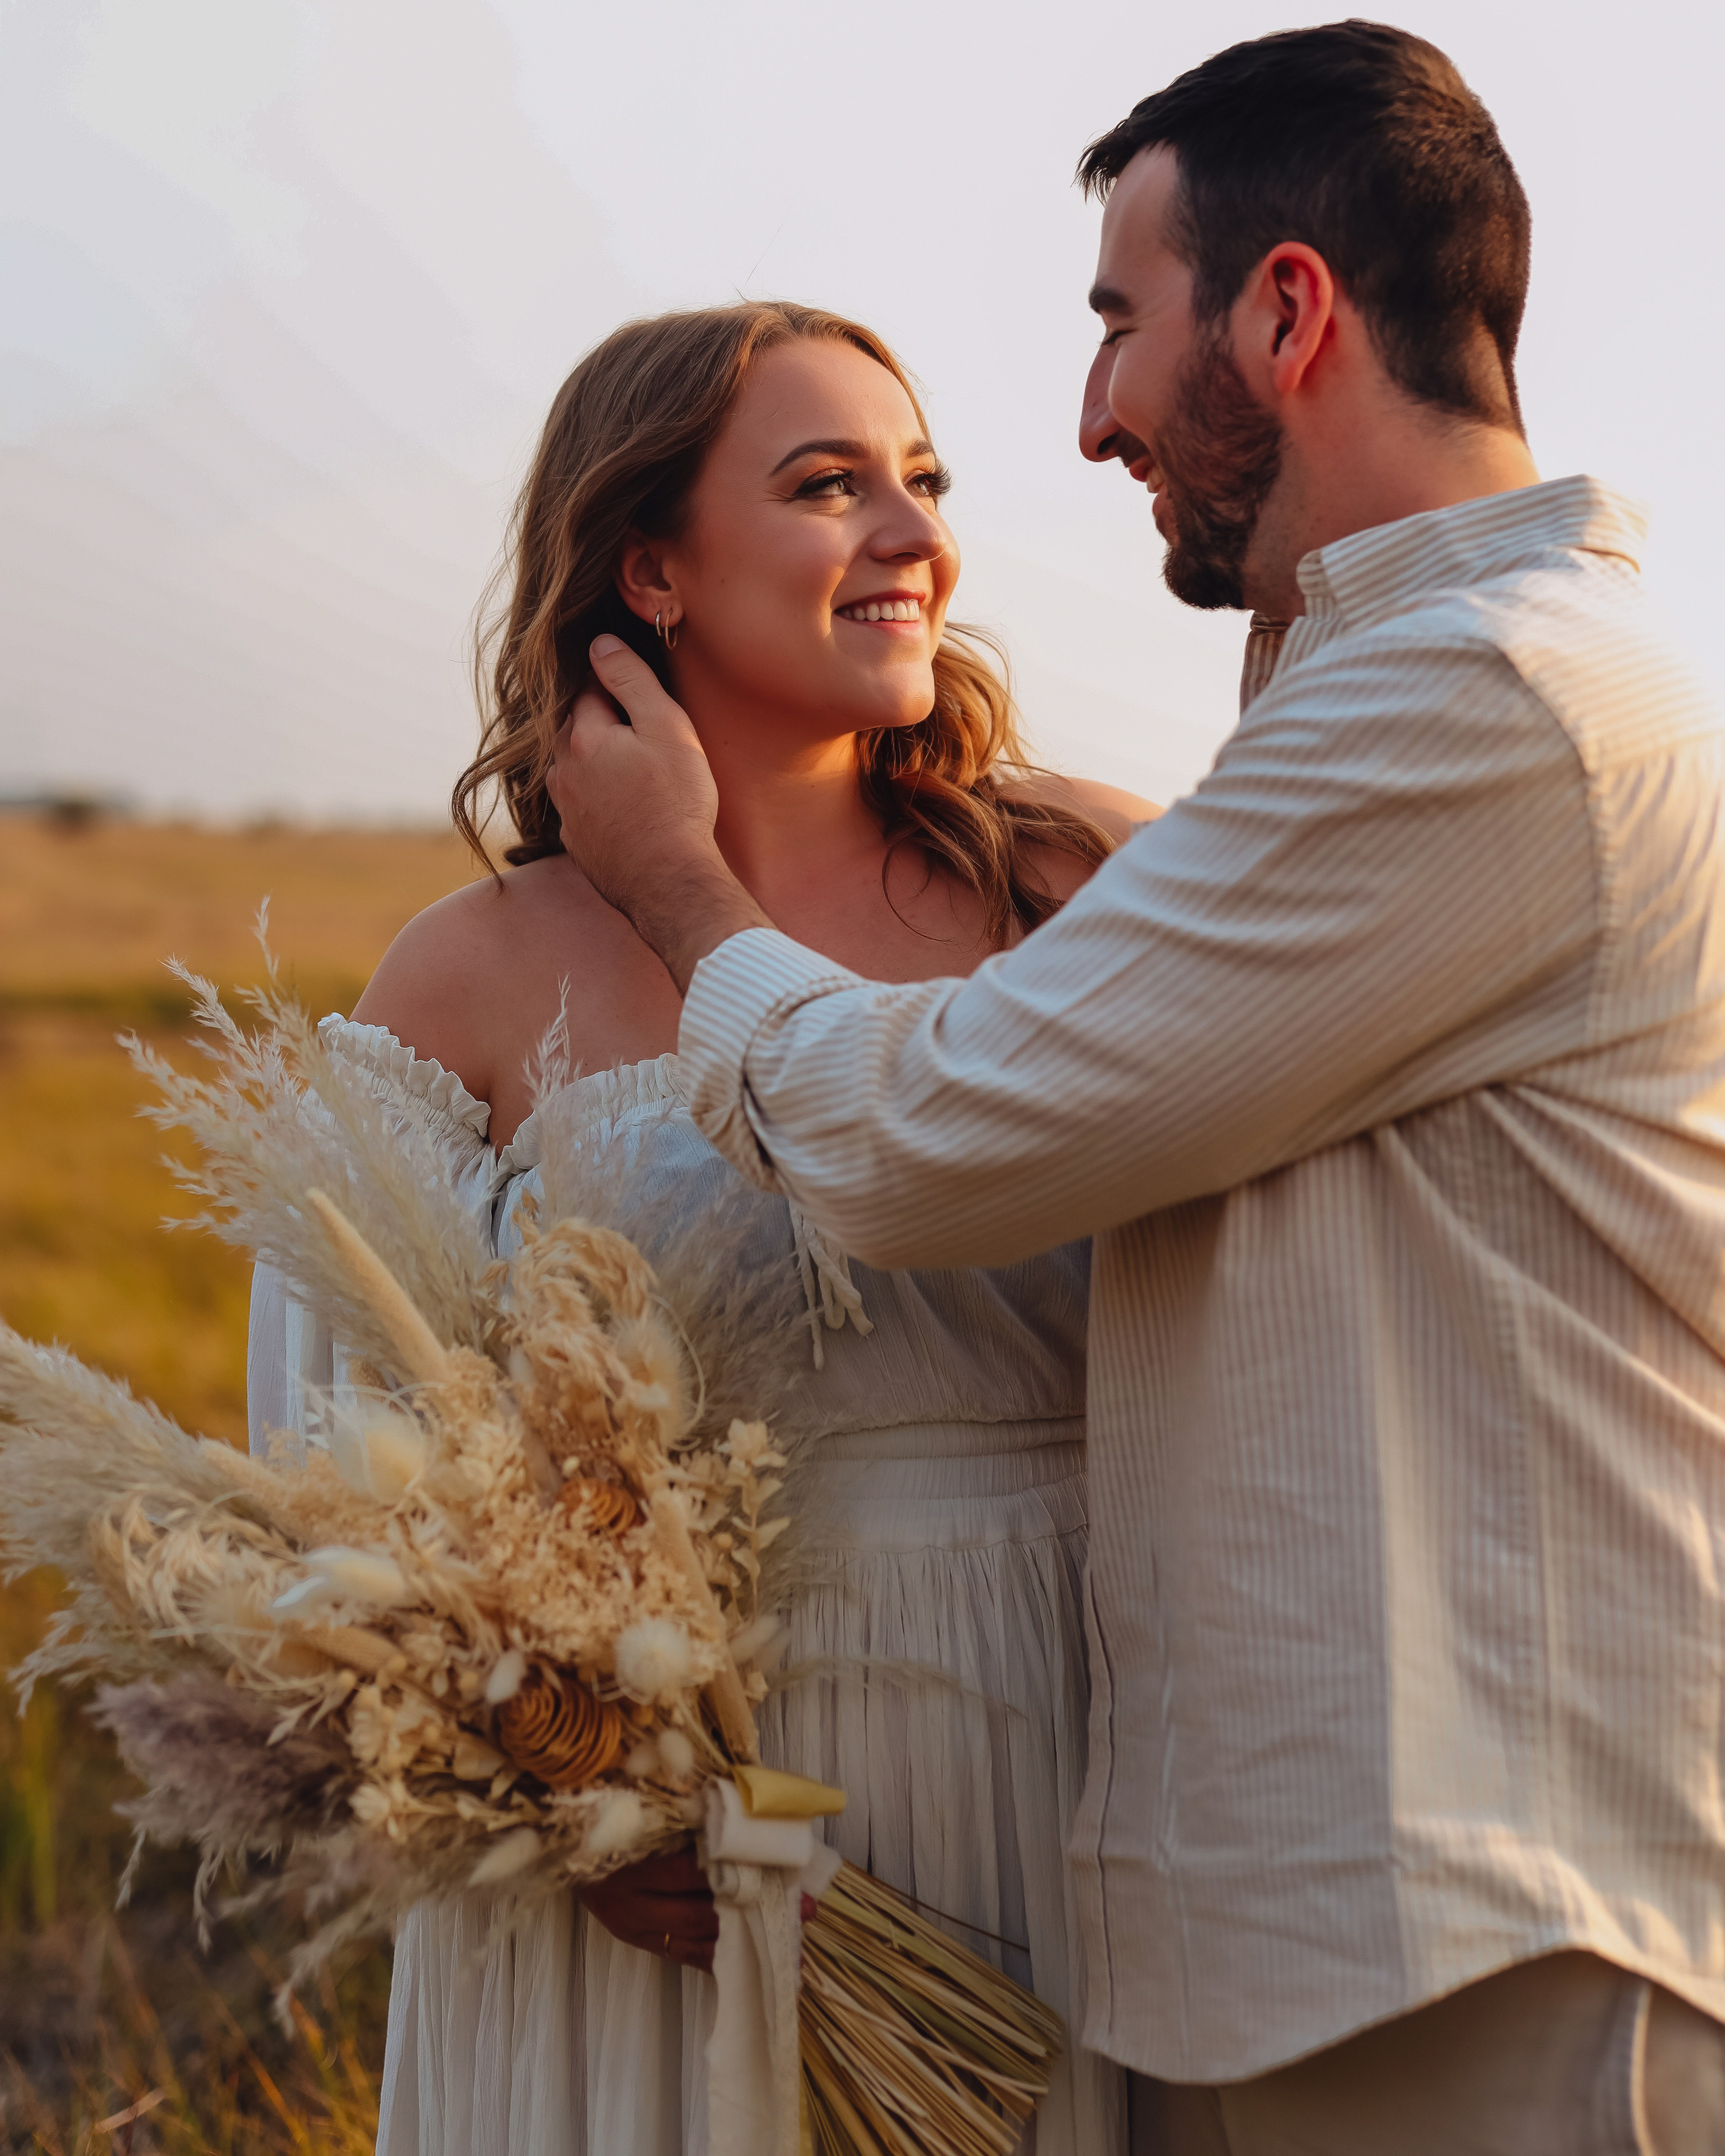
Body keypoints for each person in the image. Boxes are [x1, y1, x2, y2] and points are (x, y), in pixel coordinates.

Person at [546, 25, 1725, 2156]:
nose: (1086, 418)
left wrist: (680, 893)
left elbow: (926, 1143)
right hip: (1330, 1928)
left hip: (1492, 1939)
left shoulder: (1495, 701)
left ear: (1284, 312)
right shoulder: (1379, 696)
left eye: (1117, 321)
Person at [247, 298, 1154, 2154]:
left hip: (1056, 1734)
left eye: (923, 482)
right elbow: (329, 1471)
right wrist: (540, 1797)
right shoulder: (472, 972)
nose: (914, 538)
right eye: (832, 488)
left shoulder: (1082, 883)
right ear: (648, 565)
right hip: (659, 1839)